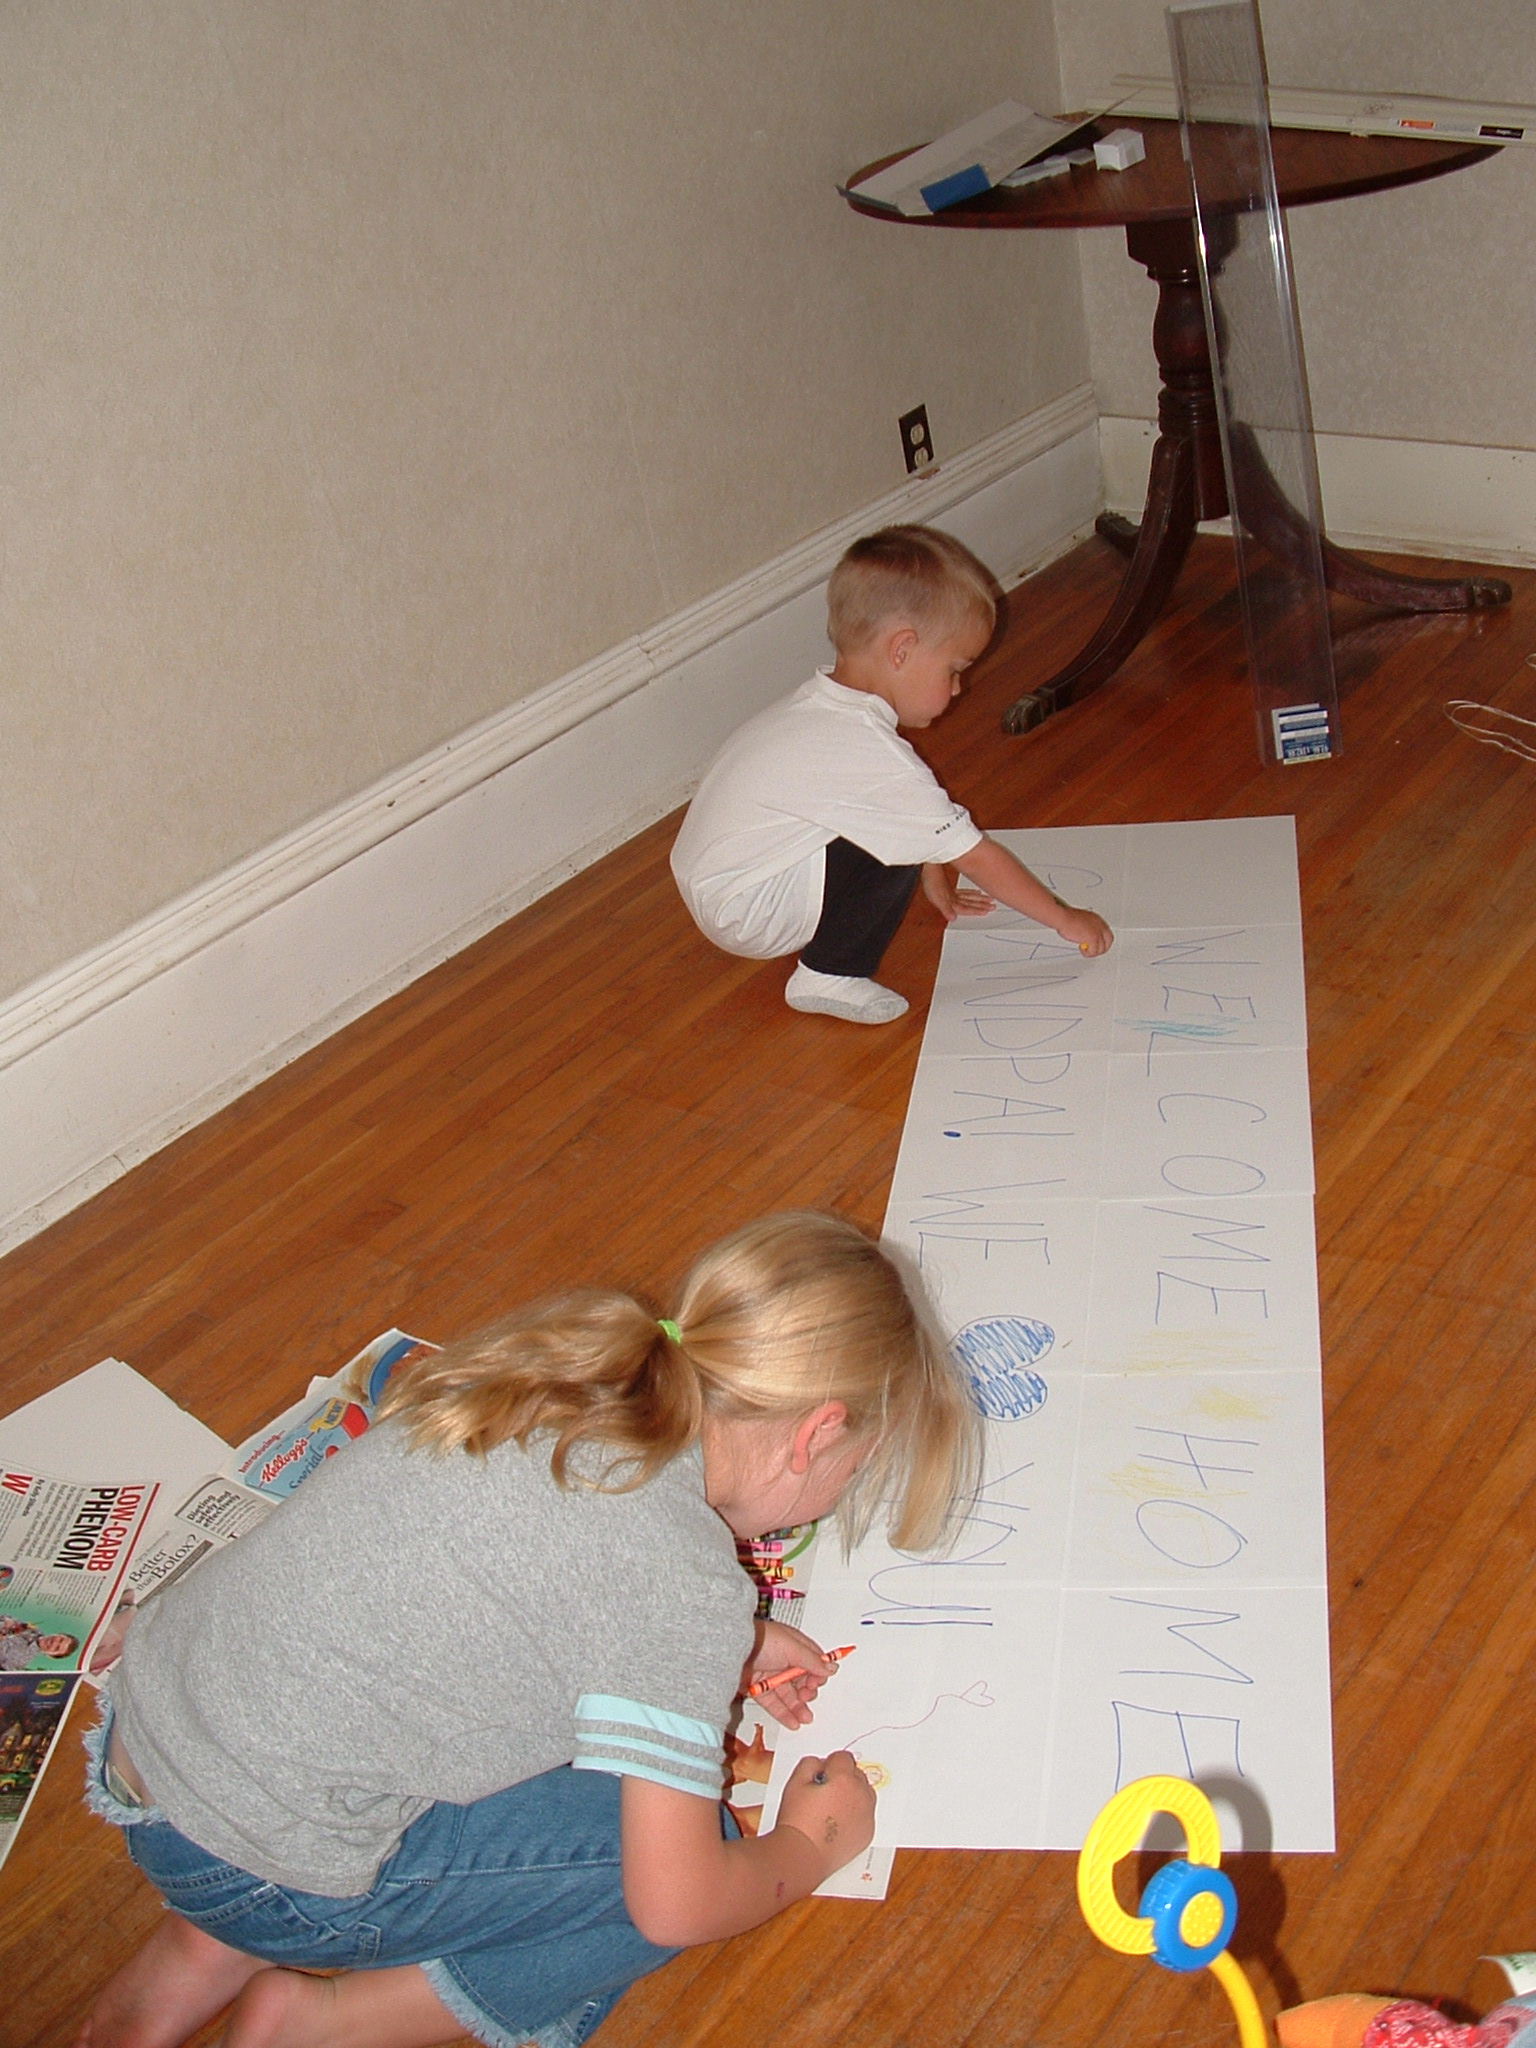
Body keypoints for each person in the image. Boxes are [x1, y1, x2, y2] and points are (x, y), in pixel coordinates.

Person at [77, 1211, 981, 2048]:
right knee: (697, 1862)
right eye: (855, 1469)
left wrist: (733, 1642)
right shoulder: (675, 1582)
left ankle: (194, 1955)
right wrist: (807, 1847)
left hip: (157, 1729)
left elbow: (502, 1571)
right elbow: (676, 1903)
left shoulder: (568, 1377)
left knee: (366, 1727)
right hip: (257, 1863)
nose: (842, 1488)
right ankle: (321, 2019)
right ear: (816, 1435)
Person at [670, 523, 1115, 1026]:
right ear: (901, 650)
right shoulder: (869, 756)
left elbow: (892, 817)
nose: (957, 689)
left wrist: (933, 871)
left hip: (718, 882)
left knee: (909, 816)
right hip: (749, 913)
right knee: (914, 814)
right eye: (954, 669)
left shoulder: (821, 711)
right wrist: (1065, 918)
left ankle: (825, 946)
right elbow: (979, 856)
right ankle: (828, 973)